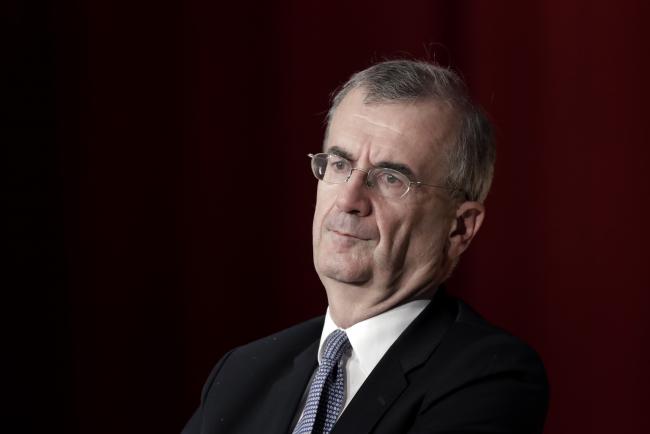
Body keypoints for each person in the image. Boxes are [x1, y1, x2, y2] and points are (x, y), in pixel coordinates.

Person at [182, 60, 549, 434]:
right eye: (340, 165)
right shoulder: (245, 373)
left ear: (459, 228)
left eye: (390, 178)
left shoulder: (488, 377)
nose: (348, 199)